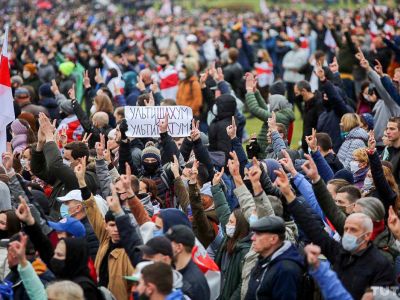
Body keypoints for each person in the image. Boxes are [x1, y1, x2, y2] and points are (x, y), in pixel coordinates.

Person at [277, 163, 395, 299]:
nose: (348, 233)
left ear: (367, 234)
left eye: (353, 230)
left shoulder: (382, 262)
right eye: (346, 229)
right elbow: (313, 228)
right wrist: (289, 196)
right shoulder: (341, 253)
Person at [245, 215, 304, 300]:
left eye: (258, 234)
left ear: (273, 239)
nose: (252, 238)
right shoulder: (263, 259)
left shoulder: (286, 270)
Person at [165, 225, 211, 300]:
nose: (165, 246)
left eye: (168, 243)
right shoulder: (174, 269)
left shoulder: (195, 283)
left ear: (179, 247)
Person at [295, 80, 323, 153]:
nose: (296, 96)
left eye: (297, 93)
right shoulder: (307, 104)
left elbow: (320, 126)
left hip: (314, 147)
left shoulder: (318, 105)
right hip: (306, 145)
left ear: (304, 91)